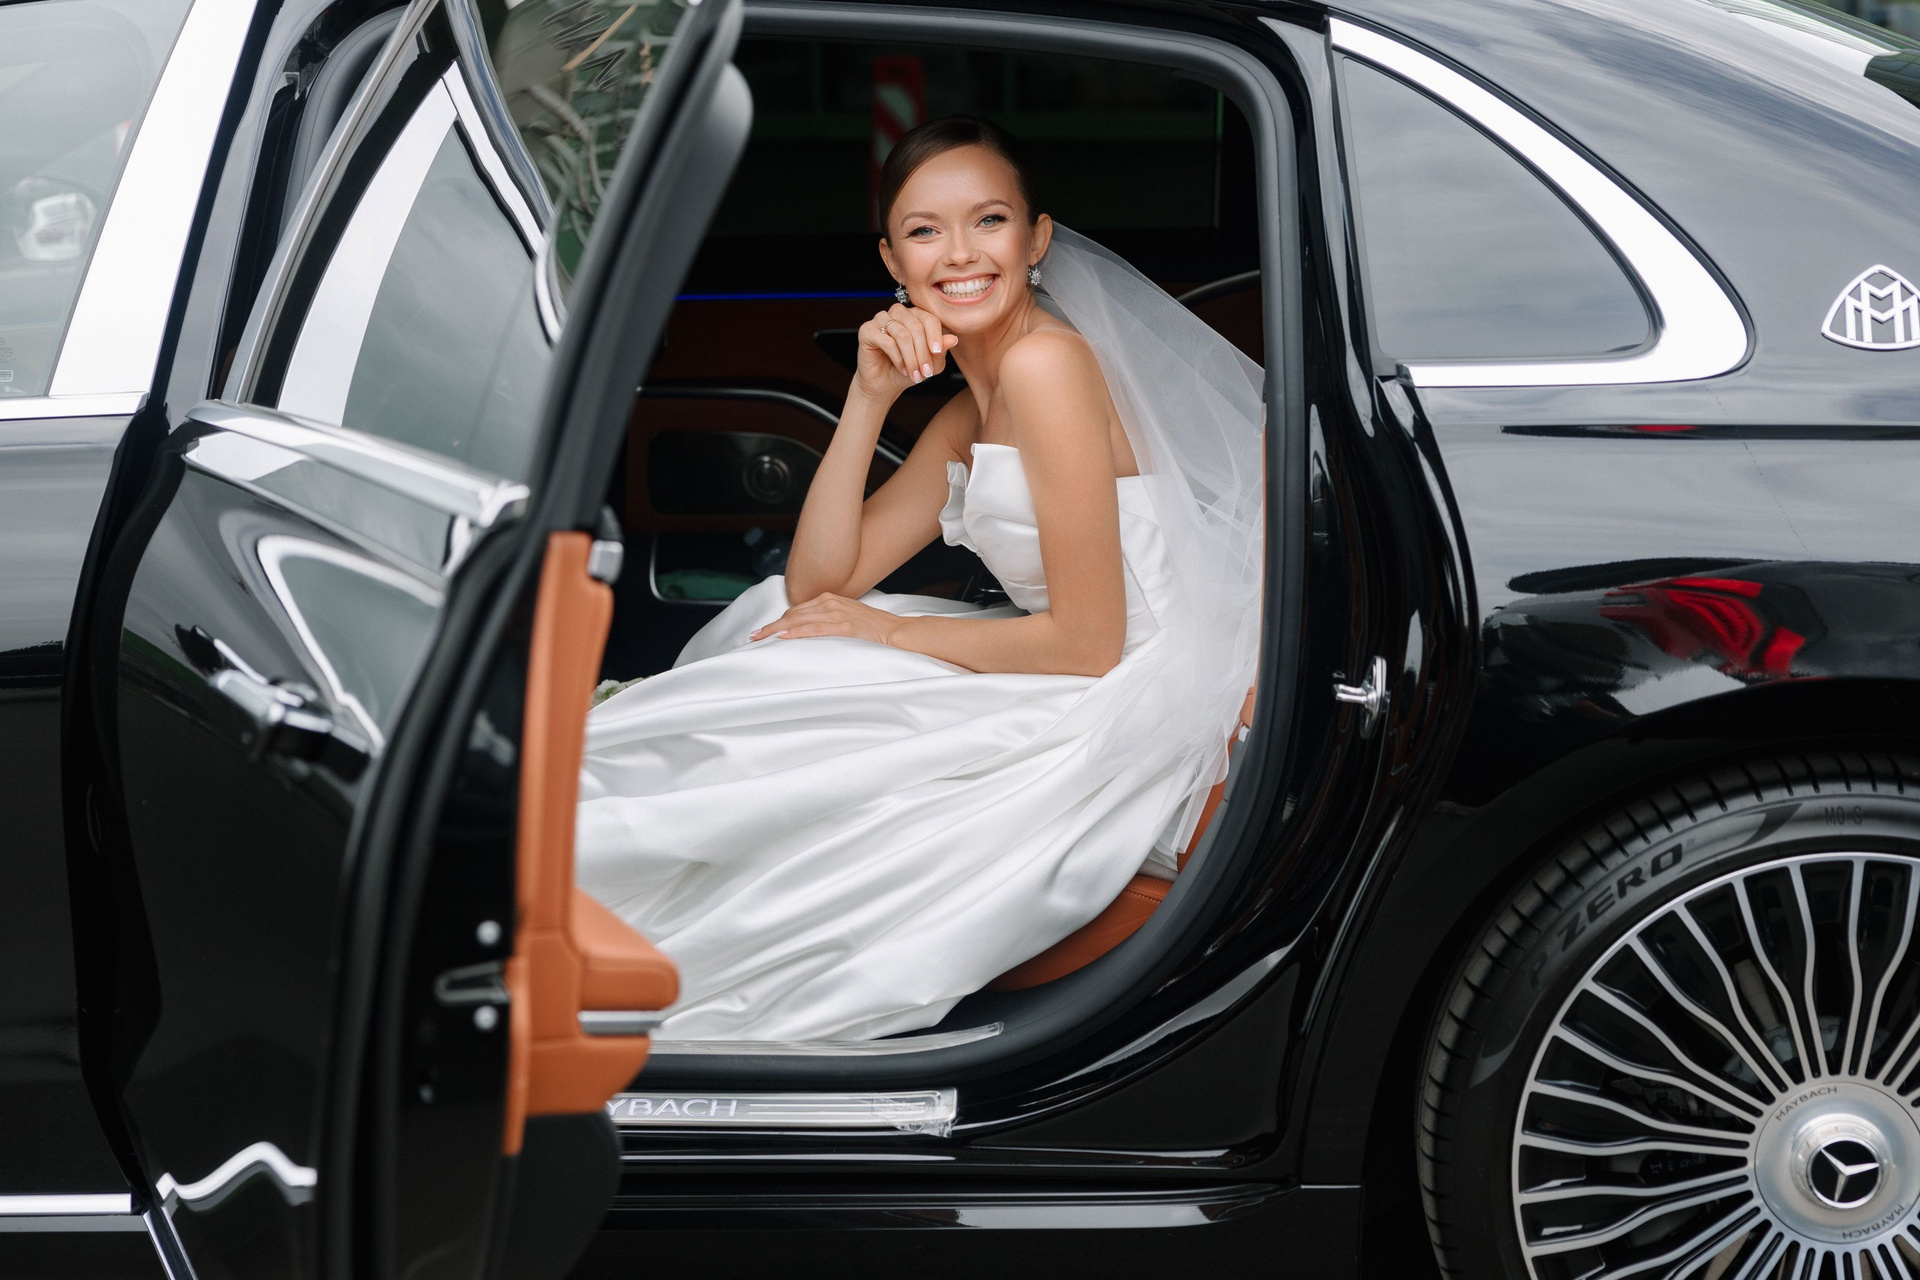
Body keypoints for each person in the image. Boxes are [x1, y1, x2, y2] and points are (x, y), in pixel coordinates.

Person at [577, 116, 1265, 1042]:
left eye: (989, 221)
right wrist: (868, 394)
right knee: (780, 617)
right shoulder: (967, 411)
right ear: (892, 261)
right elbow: (820, 579)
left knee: (820, 686)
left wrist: (890, 632)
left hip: (1128, 690)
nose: (960, 253)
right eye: (925, 230)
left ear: (1037, 240)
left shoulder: (1047, 365)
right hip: (1068, 660)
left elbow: (1089, 642)